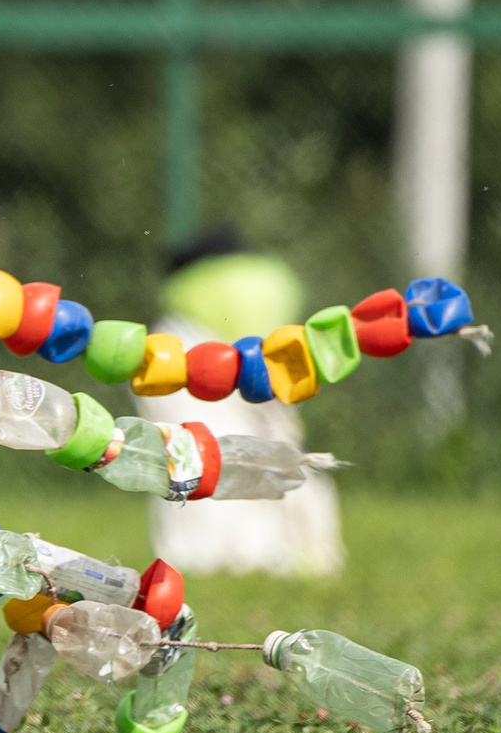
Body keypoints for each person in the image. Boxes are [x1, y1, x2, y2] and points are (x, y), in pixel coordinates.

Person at [134, 224, 345, 577]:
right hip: (263, 355)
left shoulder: (186, 294)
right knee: (278, 452)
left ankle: (218, 554)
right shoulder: (272, 280)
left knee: (192, 459)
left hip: (191, 350)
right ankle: (301, 550)